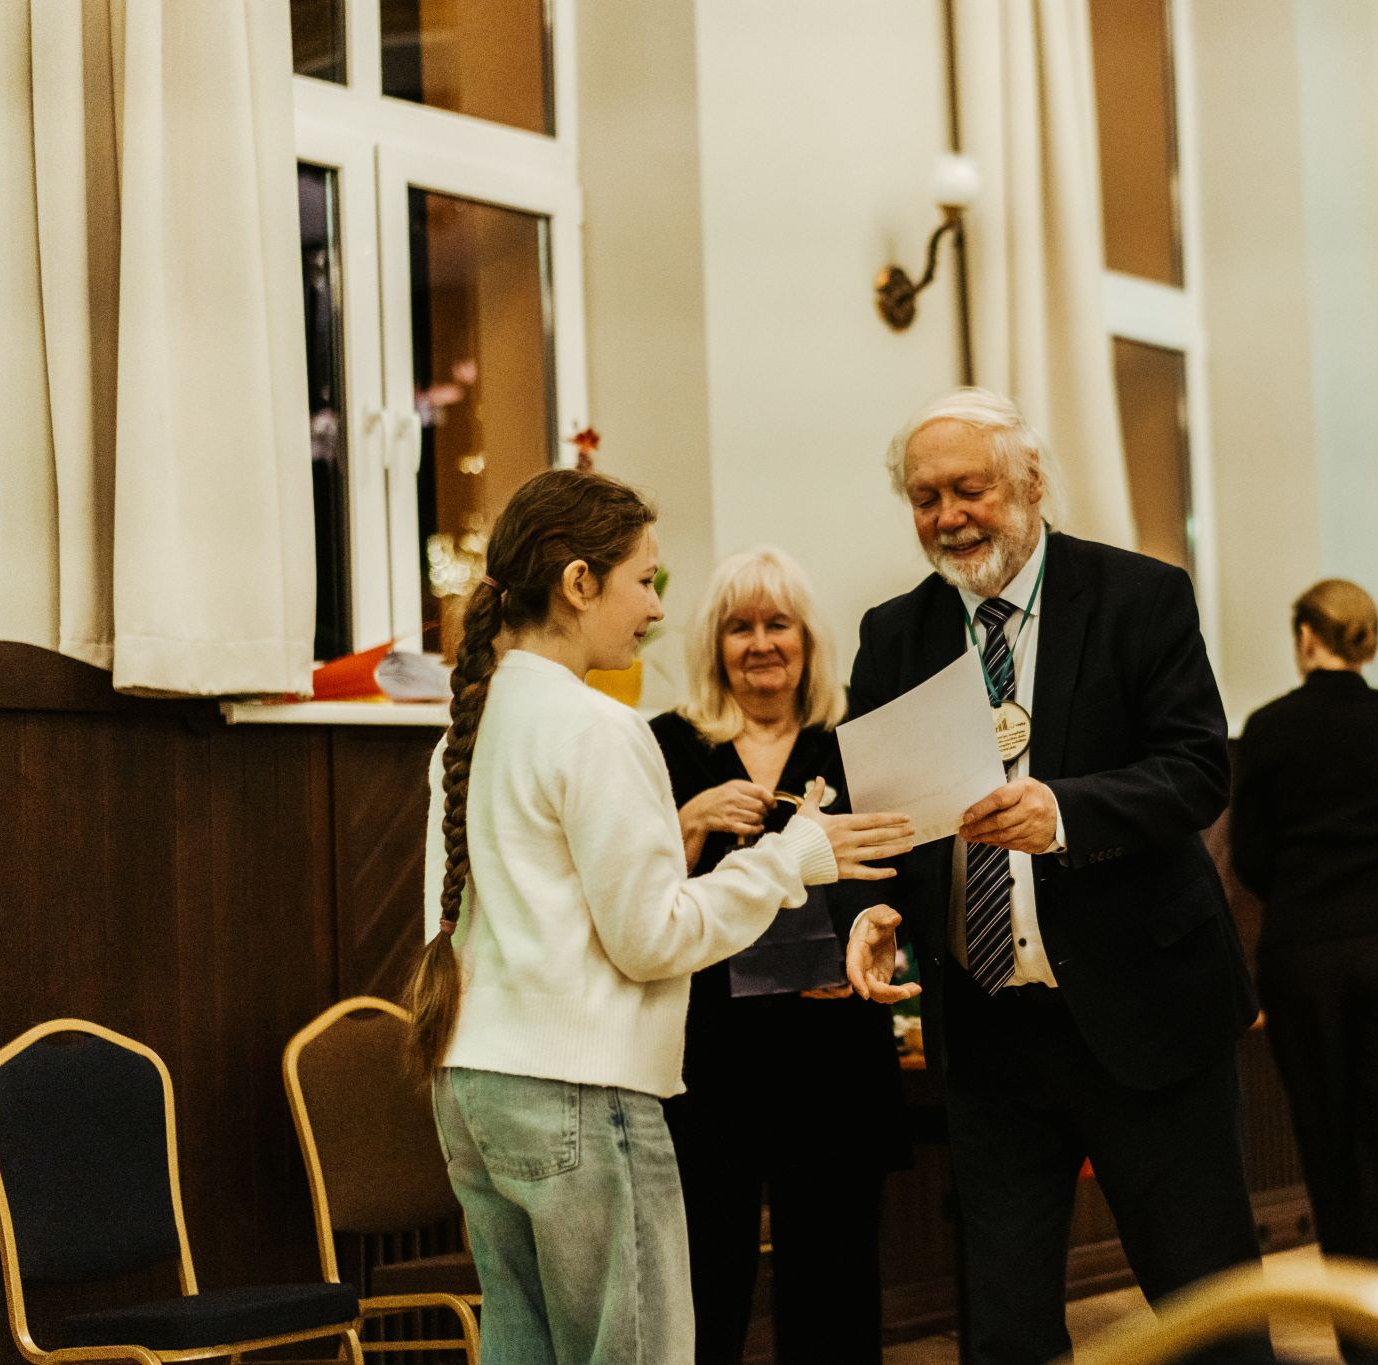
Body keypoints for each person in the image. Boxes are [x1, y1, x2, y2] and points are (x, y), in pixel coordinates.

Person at [405, 469, 913, 1365]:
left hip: (476, 1085)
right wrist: (792, 855)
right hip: (580, 1088)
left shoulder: (472, 729)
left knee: (525, 1348)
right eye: (643, 579)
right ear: (578, 583)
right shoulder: (600, 729)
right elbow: (652, 939)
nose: (654, 607)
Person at [838, 388, 1270, 1365]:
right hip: (988, 1027)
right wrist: (869, 907)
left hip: (1145, 1008)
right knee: (1004, 1324)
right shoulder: (893, 635)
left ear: (1030, 483)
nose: (949, 517)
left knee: (1206, 1306)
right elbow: (872, 816)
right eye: (925, 498)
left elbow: (1197, 770)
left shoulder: (1137, 597)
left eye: (970, 490)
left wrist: (1065, 812)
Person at [648, 548, 905, 1365]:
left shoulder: (855, 740)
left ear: (807, 638)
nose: (760, 643)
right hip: (707, 1052)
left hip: (832, 1043)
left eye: (778, 623)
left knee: (835, 1279)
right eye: (739, 627)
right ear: (714, 645)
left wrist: (873, 933)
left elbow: (894, 864)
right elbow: (632, 891)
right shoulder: (667, 744)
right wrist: (690, 820)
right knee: (704, 1277)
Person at [1229, 580, 1378, 1311]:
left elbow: (1251, 855)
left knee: (1329, 1150)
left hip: (1304, 956)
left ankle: (1362, 1336)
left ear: (1305, 637)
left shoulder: (1268, 727)